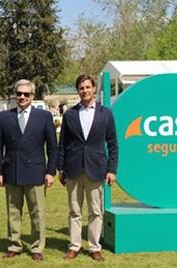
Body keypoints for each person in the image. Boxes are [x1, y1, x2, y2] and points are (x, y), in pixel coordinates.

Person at [0, 79, 57, 261]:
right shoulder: (5, 117)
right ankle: (14, 244)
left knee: (37, 213)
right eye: (19, 93)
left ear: (32, 96)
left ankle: (37, 247)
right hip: (11, 170)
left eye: (26, 94)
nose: (22, 97)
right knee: (13, 212)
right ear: (15, 95)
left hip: (36, 172)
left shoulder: (44, 117)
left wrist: (51, 172)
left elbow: (52, 147)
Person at [57, 74, 118, 262]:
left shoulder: (105, 114)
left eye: (87, 87)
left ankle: (94, 247)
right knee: (74, 211)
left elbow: (113, 144)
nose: (85, 91)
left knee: (95, 211)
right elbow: (63, 144)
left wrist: (111, 170)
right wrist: (61, 169)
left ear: (93, 89)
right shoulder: (69, 115)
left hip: (96, 168)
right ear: (78, 91)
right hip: (73, 169)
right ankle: (74, 246)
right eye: (81, 88)